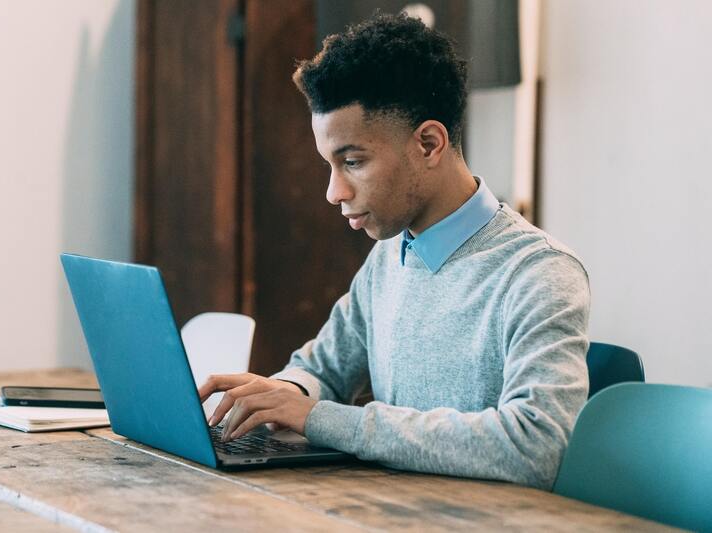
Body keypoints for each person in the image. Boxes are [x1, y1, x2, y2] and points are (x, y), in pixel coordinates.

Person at [198, 13, 590, 490]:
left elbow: (536, 447)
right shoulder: (389, 255)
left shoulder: (540, 273)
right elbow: (322, 369)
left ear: (428, 143)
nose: (333, 192)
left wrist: (322, 419)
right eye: (330, 164)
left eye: (353, 162)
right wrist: (279, 394)